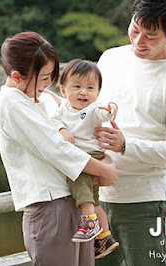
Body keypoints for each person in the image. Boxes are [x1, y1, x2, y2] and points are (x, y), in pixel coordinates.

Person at [0, 31, 118, 266]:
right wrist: (105, 170)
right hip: (48, 206)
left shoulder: (41, 98)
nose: (48, 84)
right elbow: (57, 149)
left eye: (51, 77)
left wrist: (107, 160)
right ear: (17, 76)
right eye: (42, 78)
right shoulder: (10, 103)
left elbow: (77, 126)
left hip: (71, 201)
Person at [93, 0, 166, 266]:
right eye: (135, 29)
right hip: (96, 197)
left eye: (151, 36)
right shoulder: (110, 59)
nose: (139, 41)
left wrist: (125, 146)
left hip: (144, 203)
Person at [51, 59, 120, 259]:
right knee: (94, 198)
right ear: (64, 91)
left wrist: (111, 107)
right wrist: (62, 129)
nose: (84, 92)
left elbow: (103, 113)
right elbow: (54, 119)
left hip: (90, 156)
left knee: (77, 176)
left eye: (90, 88)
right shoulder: (64, 109)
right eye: (78, 87)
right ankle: (106, 236)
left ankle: (89, 221)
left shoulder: (92, 109)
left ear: (98, 92)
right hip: (82, 156)